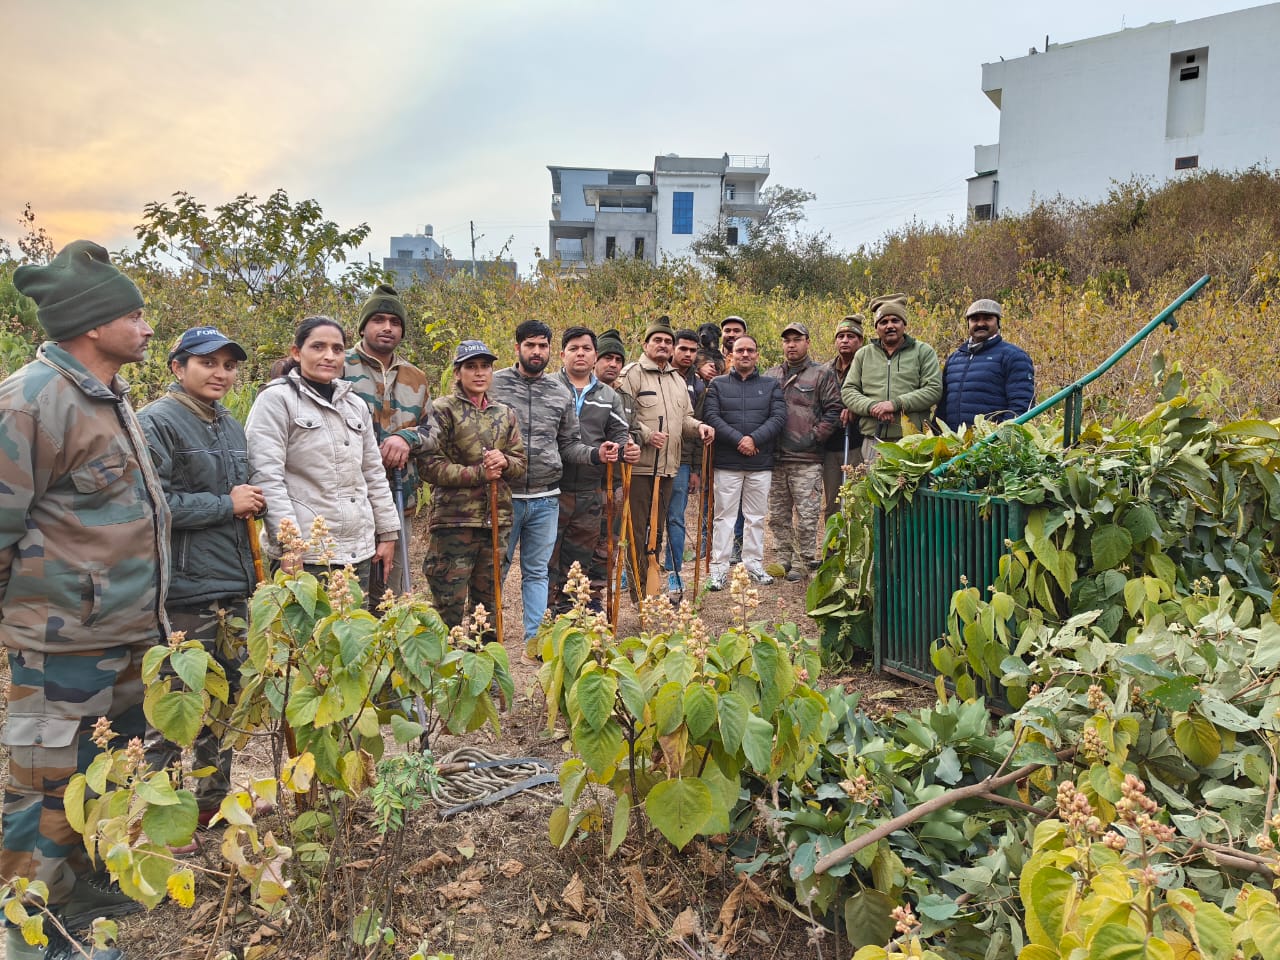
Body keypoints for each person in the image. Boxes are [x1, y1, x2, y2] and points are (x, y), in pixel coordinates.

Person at [2, 240, 169, 960]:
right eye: (134, 315)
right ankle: (30, 927)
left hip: (122, 635)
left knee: (109, 773)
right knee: (43, 789)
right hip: (58, 642)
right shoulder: (30, 402)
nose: (148, 327)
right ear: (92, 325)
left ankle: (88, 889)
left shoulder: (105, 396)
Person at [138, 327, 263, 847]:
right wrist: (225, 505)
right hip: (185, 591)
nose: (220, 373)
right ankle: (162, 817)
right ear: (177, 367)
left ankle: (213, 801)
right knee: (177, 702)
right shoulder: (157, 422)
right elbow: (150, 505)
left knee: (228, 701)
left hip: (233, 584)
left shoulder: (231, 424)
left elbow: (246, 494)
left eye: (229, 365)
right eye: (207, 362)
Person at [245, 317, 400, 597]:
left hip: (359, 550)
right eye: (318, 347)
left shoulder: (355, 405)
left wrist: (388, 534)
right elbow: (267, 477)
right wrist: (289, 545)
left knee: (356, 633)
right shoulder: (276, 400)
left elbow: (373, 473)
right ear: (296, 352)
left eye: (337, 349)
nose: (329, 356)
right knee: (308, 637)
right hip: (308, 552)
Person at [489, 320, 607, 645]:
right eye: (530, 345)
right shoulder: (495, 385)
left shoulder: (559, 392)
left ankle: (535, 640)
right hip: (504, 496)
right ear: (517, 348)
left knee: (538, 572)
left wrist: (597, 454)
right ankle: (488, 639)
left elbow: (569, 444)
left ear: (549, 350)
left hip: (545, 499)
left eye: (542, 346)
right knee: (494, 570)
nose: (536, 352)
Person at [420, 341, 527, 632]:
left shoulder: (505, 414)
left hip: (496, 520)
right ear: (458, 372)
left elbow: (520, 464)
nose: (479, 373)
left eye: (485, 366)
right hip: (454, 522)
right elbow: (429, 466)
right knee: (448, 605)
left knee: (488, 607)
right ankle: (447, 672)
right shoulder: (442, 410)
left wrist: (504, 462)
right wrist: (479, 473)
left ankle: (486, 670)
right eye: (471, 367)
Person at [342, 284, 432, 595]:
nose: (387, 328)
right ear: (364, 325)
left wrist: (407, 438)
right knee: (347, 595)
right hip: (346, 503)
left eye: (395, 323)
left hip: (397, 501)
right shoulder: (337, 367)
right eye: (378, 320)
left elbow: (433, 430)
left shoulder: (415, 377)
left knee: (389, 596)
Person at [617, 318, 714, 599]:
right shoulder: (632, 375)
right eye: (657, 340)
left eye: (667, 342)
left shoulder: (676, 379)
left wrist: (699, 427)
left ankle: (651, 588)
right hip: (639, 468)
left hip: (668, 468)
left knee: (655, 534)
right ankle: (638, 594)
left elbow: (684, 418)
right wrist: (646, 435)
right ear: (645, 344)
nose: (663, 345)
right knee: (636, 533)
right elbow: (622, 416)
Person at [548, 327, 637, 613]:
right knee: (550, 554)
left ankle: (581, 607)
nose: (580, 354)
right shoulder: (548, 387)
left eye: (586, 349)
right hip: (552, 486)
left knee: (583, 552)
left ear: (594, 355)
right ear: (562, 354)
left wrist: (625, 450)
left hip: (591, 487)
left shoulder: (608, 396)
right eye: (574, 348)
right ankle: (548, 611)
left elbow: (620, 433)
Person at [701, 335, 786, 590]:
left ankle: (753, 564)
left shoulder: (771, 386)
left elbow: (779, 417)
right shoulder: (717, 385)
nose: (745, 354)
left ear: (757, 355)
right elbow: (712, 417)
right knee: (724, 518)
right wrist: (740, 440)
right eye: (740, 350)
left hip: (760, 463)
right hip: (727, 463)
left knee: (756, 517)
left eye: (750, 350)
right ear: (731, 355)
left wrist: (754, 439)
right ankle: (718, 569)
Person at [763, 322, 842, 581]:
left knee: (807, 515)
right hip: (775, 458)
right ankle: (784, 558)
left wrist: (814, 437)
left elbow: (834, 411)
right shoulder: (771, 374)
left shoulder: (822, 373)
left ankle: (803, 560)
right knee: (778, 515)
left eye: (797, 339)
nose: (791, 345)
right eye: (787, 340)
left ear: (807, 342)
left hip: (807, 459)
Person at [841, 296, 942, 463]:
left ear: (904, 324)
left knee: (910, 487)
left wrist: (895, 404)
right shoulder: (864, 354)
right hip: (873, 440)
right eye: (883, 322)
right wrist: (872, 407)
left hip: (913, 441)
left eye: (895, 320)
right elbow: (848, 390)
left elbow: (933, 389)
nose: (889, 326)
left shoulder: (923, 351)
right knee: (873, 488)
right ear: (876, 327)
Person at [934, 298, 1035, 429]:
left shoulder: (1013, 356)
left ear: (998, 323)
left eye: (987, 318)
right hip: (956, 443)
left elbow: (1022, 405)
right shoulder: (954, 359)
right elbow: (943, 407)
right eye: (975, 319)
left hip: (992, 443)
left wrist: (1000, 437)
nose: (980, 323)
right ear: (968, 324)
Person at [664, 329, 705, 596]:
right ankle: (633, 571)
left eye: (693, 351)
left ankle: (673, 573)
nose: (688, 355)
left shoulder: (699, 386)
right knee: (643, 520)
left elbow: (696, 431)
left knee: (676, 519)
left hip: (682, 462)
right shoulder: (653, 375)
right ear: (672, 349)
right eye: (683, 349)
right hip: (650, 460)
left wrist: (695, 469)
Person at [822, 315, 865, 518]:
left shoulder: (867, 367)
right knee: (832, 502)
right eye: (840, 336)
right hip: (830, 445)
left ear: (860, 340)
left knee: (855, 500)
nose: (845, 340)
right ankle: (832, 549)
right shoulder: (824, 370)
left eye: (850, 336)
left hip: (856, 442)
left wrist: (855, 408)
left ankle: (854, 548)